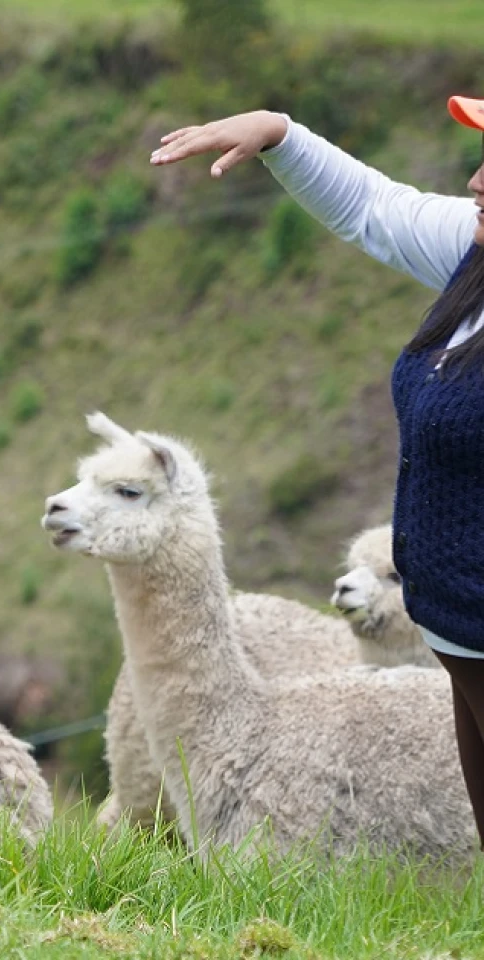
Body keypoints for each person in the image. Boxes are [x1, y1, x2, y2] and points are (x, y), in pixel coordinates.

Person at [150, 99, 484, 847]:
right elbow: (373, 208)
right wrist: (280, 134)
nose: (476, 180)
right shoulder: (475, 257)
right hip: (458, 638)